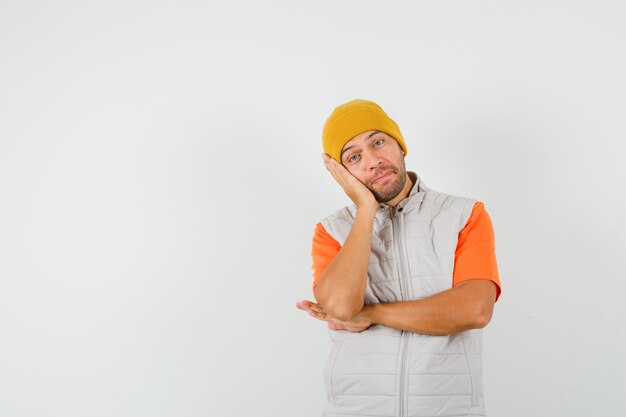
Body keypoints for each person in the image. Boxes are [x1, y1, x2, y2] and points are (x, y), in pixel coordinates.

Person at [296, 99, 501, 417]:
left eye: (378, 142)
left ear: (400, 145)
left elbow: (474, 309)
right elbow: (340, 308)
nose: (373, 161)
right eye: (354, 157)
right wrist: (365, 209)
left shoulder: (465, 215)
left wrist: (372, 314)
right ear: (342, 174)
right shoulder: (331, 231)